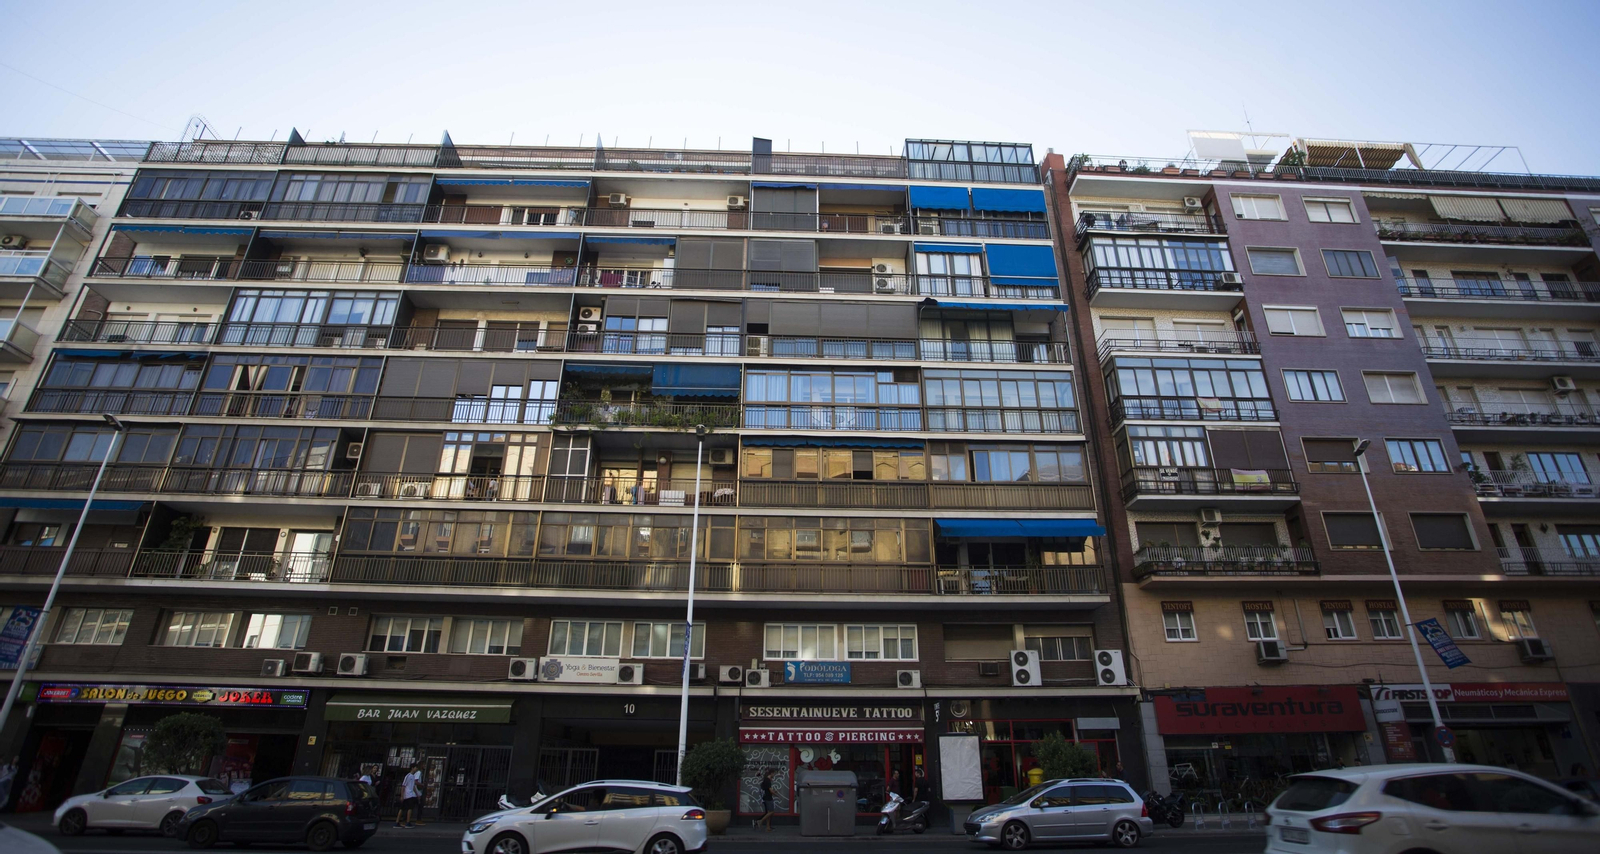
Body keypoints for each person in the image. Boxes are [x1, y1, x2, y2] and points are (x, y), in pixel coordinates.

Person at [396, 764, 423, 828]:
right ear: (412, 768)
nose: (416, 769)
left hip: (410, 794)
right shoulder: (408, 776)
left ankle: (403, 822)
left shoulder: (413, 776)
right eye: (415, 767)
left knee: (406, 808)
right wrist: (402, 795)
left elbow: (413, 786)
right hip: (407, 795)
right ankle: (405, 822)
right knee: (406, 808)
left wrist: (417, 794)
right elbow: (403, 786)